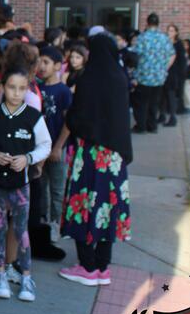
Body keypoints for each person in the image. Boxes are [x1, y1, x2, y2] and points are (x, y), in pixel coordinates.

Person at [56, 33, 133, 286]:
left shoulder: (88, 78)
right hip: (114, 157)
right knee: (107, 209)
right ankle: (102, 267)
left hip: (89, 153)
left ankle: (87, 266)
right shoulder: (120, 79)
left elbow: (76, 118)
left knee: (84, 206)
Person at [0, 66, 51, 301]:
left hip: (21, 184)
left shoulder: (34, 117)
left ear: (27, 89)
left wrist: (28, 159)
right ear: (2, 88)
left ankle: (26, 277)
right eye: (11, 87)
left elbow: (45, 146)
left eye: (22, 88)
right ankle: (0, 274)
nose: (16, 93)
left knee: (20, 229)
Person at [37, 46, 72, 243]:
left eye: (46, 62)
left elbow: (68, 122)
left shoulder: (63, 91)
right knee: (40, 187)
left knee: (57, 189)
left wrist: (58, 147)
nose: (41, 66)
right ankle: (42, 221)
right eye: (40, 61)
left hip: (56, 148)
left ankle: (55, 223)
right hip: (38, 149)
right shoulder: (37, 88)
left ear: (58, 66)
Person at [131, 13, 175, 133]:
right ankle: (152, 126)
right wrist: (164, 68)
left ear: (147, 23)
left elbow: (135, 54)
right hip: (159, 77)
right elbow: (172, 54)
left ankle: (141, 126)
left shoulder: (142, 37)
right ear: (158, 23)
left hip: (144, 76)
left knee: (142, 103)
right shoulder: (165, 38)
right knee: (154, 102)